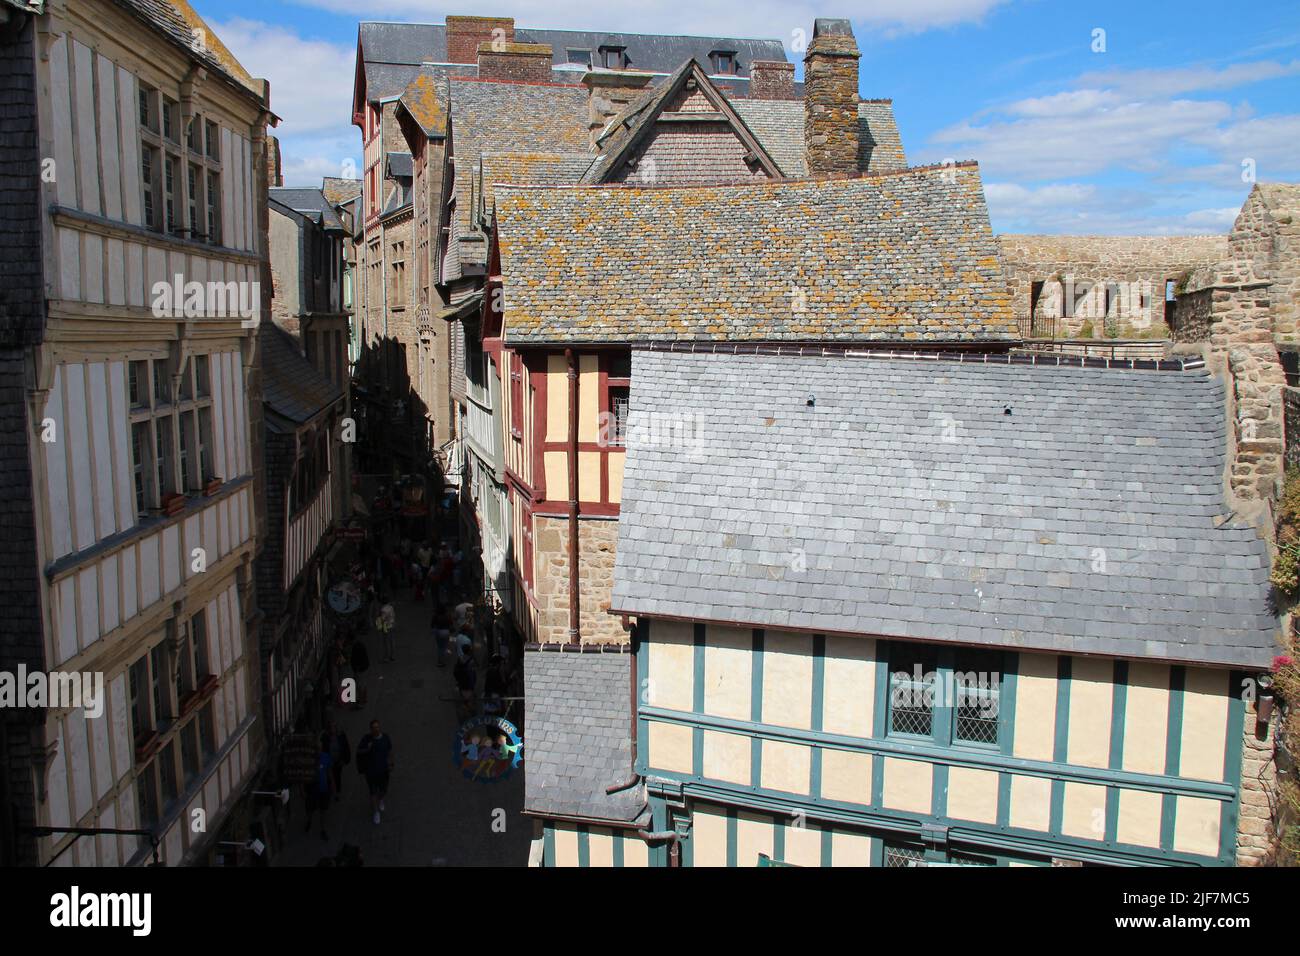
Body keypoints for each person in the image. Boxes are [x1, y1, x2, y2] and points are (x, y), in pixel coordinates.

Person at [356, 720, 394, 825]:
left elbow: (390, 750)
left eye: (377, 727)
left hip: (383, 770)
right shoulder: (367, 739)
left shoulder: (385, 737)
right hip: (371, 771)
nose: (376, 729)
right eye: (373, 727)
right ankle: (376, 812)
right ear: (371, 729)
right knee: (372, 792)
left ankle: (380, 799)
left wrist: (391, 763)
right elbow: (359, 751)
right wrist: (367, 749)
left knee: (383, 790)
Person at [303, 738, 334, 841]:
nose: (318, 750)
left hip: (323, 789)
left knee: (323, 810)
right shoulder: (308, 759)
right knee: (310, 808)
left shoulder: (325, 757)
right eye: (316, 748)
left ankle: (323, 829)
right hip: (312, 789)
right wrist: (302, 789)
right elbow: (303, 775)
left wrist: (332, 785)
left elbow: (329, 772)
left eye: (319, 748)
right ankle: (309, 820)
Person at [324, 720, 350, 799]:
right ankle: (332, 791)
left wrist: (345, 760)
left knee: (337, 776)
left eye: (334, 727)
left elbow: (346, 747)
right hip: (329, 761)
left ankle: (337, 791)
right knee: (330, 776)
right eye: (331, 727)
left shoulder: (341, 736)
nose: (332, 729)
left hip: (338, 761)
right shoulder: (325, 737)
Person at [431, 603, 452, 668]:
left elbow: (432, 624)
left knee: (440, 647)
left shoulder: (435, 615)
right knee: (444, 646)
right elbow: (451, 623)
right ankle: (443, 658)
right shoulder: (448, 615)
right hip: (446, 632)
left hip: (438, 631)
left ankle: (441, 662)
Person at [376, 596, 397, 662]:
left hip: (386, 627)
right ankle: (393, 655)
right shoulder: (391, 607)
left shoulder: (383, 609)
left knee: (387, 642)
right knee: (392, 641)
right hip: (392, 625)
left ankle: (387, 657)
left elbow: (382, 619)